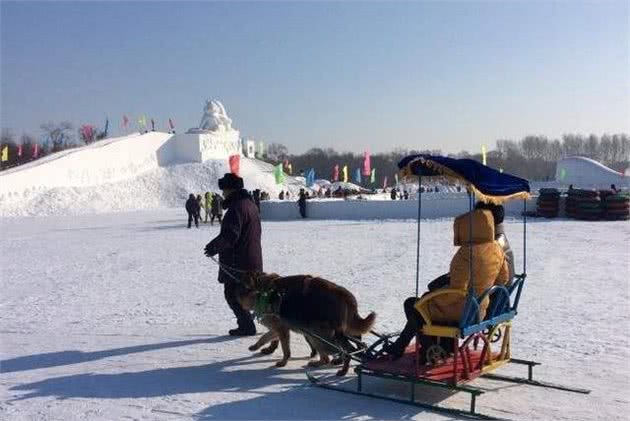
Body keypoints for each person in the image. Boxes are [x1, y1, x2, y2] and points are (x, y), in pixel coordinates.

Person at [383, 209, 509, 360]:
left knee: (414, 305)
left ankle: (425, 346)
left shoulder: (465, 253)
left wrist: (430, 298)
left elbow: (457, 291)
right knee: (424, 304)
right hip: (479, 309)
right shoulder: (497, 248)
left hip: (462, 311)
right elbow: (503, 279)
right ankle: (439, 345)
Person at [204, 173, 262, 336]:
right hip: (251, 257)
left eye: (224, 190)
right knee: (247, 294)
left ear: (231, 190)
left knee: (233, 294)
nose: (223, 194)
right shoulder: (249, 204)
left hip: (239, 261)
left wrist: (214, 246)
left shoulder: (236, 208)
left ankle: (246, 325)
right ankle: (250, 323)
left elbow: (231, 234)